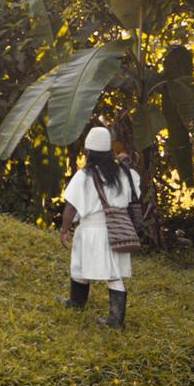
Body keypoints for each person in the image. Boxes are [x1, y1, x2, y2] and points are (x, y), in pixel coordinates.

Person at [57, 126, 140, 328]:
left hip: (92, 229)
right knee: (83, 266)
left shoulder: (85, 175)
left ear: (88, 152)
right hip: (116, 228)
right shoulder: (124, 173)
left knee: (109, 273)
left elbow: (71, 205)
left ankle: (114, 320)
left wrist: (64, 229)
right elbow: (132, 196)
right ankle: (76, 302)